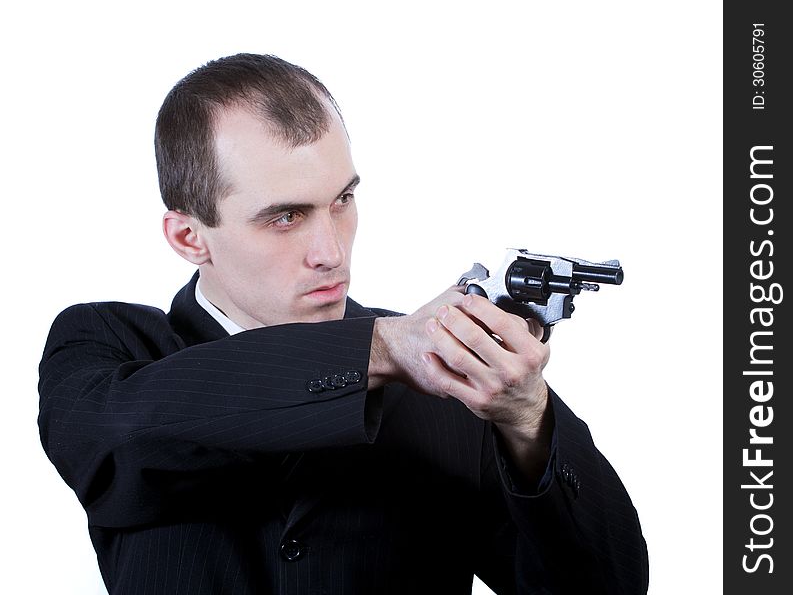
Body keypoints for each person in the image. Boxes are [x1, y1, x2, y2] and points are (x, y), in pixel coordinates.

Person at [38, 53, 649, 594]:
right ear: (189, 236)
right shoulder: (109, 347)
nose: (330, 250)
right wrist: (380, 352)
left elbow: (608, 585)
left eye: (342, 200)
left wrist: (527, 419)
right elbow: (130, 437)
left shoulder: (453, 381)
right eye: (285, 217)